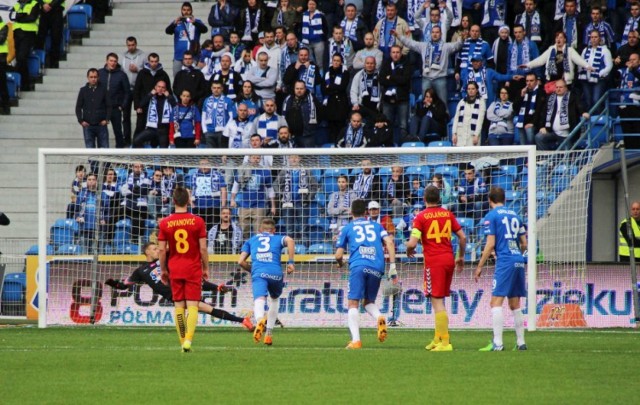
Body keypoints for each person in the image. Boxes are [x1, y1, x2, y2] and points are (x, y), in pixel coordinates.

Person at [106, 242, 254, 330]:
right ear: (147, 252)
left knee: (204, 305)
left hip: (182, 289)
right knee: (206, 309)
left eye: (158, 248)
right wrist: (112, 283)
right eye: (155, 249)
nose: (158, 250)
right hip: (175, 296)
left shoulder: (166, 260)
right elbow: (124, 286)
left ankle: (241, 319)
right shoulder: (140, 271)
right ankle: (241, 320)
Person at [405, 185, 465, 351]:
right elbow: (462, 236)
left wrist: (408, 248)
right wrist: (461, 256)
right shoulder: (448, 214)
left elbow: (412, 242)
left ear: (424, 199)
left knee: (437, 301)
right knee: (439, 299)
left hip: (434, 262)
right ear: (439, 199)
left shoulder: (421, 217)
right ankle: (438, 338)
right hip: (449, 259)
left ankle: (445, 342)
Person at [335, 199, 397, 349]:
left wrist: (340, 263)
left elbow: (338, 255)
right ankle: (379, 317)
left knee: (352, 303)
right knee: (368, 301)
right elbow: (389, 242)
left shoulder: (347, 228)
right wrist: (393, 266)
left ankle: (356, 340)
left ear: (351, 212)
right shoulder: (377, 226)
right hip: (377, 267)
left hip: (358, 266)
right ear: (366, 212)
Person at [474, 186, 528, 351]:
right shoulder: (516, 215)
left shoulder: (491, 216)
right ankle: (521, 343)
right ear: (504, 199)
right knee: (515, 303)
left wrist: (480, 265)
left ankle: (497, 343)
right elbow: (524, 243)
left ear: (490, 200)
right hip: (518, 259)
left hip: (505, 261)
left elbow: (490, 244)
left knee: (495, 302)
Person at [158, 187, 208, 353]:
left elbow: (161, 250)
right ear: (188, 201)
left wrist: (163, 269)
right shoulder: (198, 221)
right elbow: (203, 249)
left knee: (179, 306)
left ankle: (182, 343)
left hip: (175, 267)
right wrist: (206, 267)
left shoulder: (165, 223)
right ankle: (188, 340)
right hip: (193, 267)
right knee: (193, 305)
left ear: (173, 201)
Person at [238, 218, 295, 345]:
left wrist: (253, 270)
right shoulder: (277, 238)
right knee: (274, 299)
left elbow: (240, 261)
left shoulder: (251, 240)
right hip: (275, 273)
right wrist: (291, 262)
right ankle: (269, 334)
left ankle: (259, 320)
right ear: (273, 230)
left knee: (259, 298)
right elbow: (290, 240)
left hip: (259, 273)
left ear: (259, 230)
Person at [395, 25, 462, 102]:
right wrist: (398, 36)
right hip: (426, 79)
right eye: (433, 32)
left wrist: (462, 38)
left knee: (443, 105)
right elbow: (410, 43)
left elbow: (458, 45)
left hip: (440, 79)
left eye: (437, 32)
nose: (435, 34)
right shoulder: (424, 46)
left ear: (441, 34)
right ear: (430, 34)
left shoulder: (446, 46)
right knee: (425, 104)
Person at [274, 154, 318, 244]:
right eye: (291, 157)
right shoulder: (284, 171)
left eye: (296, 157)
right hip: (287, 204)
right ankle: (290, 251)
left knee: (303, 230)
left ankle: (304, 251)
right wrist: (281, 194)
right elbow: (275, 184)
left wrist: (308, 198)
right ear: (288, 159)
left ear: (299, 158)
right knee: (289, 230)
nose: (293, 159)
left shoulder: (306, 171)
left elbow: (315, 185)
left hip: (302, 204)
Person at [535, 79, 589, 151]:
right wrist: (542, 127)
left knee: (566, 155)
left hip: (567, 134)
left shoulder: (572, 97)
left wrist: (583, 112)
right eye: (557, 87)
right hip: (552, 131)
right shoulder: (550, 98)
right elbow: (544, 113)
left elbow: (579, 105)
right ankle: (544, 158)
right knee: (539, 137)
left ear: (566, 87)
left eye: (561, 87)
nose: (558, 89)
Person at [523, 31, 591, 88]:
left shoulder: (570, 50)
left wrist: (587, 66)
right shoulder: (551, 49)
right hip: (551, 80)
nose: (558, 39)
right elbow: (540, 60)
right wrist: (527, 65)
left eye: (561, 37)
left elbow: (578, 60)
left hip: (565, 81)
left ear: (564, 39)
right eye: (557, 37)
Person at [231, 155, 277, 238]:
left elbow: (270, 189)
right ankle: (245, 249)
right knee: (243, 230)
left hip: (259, 205)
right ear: (249, 159)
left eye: (258, 158)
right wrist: (232, 199)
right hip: (244, 205)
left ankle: (256, 249)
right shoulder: (242, 170)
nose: (256, 160)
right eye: (254, 158)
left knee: (258, 231)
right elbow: (236, 185)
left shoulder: (265, 172)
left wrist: (273, 206)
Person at [133, 53, 173, 136]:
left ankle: (155, 145)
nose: (154, 63)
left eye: (155, 61)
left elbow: (168, 90)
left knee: (156, 128)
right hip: (144, 105)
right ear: (148, 61)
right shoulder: (142, 73)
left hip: (158, 105)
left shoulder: (163, 74)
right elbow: (136, 90)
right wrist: (137, 106)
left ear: (158, 61)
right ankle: (136, 146)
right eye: (152, 61)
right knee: (140, 127)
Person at [166, 2, 209, 76]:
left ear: (191, 11)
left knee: (192, 78)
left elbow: (205, 30)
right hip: (179, 56)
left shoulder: (196, 21)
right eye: (184, 10)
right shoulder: (177, 22)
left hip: (192, 57)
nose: (186, 12)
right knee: (177, 78)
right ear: (181, 11)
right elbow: (168, 31)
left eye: (188, 10)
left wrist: (195, 22)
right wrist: (174, 24)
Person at [379, 45, 411, 143]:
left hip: (402, 99)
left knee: (403, 125)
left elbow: (405, 80)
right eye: (393, 52)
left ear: (401, 53)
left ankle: (403, 148)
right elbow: (382, 80)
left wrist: (391, 77)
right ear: (390, 53)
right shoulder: (386, 63)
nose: (395, 54)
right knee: (387, 125)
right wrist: (397, 78)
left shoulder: (406, 63)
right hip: (388, 100)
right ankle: (388, 148)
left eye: (397, 52)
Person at [98, 53, 131, 149]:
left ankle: (120, 154)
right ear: (106, 61)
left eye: (115, 61)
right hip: (102, 108)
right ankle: (102, 153)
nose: (112, 63)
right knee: (101, 132)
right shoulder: (100, 73)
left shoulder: (122, 75)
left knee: (118, 132)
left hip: (115, 108)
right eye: (111, 61)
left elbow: (127, 92)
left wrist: (122, 106)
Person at [132, 80, 177, 148]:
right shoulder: (151, 98)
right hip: (151, 128)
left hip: (164, 129)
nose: (160, 89)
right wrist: (150, 94)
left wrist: (169, 97)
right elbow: (141, 105)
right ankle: (144, 158)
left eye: (163, 87)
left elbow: (176, 107)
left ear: (165, 89)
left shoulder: (169, 98)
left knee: (163, 152)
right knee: (136, 140)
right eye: (159, 87)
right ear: (155, 87)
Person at [76, 68, 111, 149]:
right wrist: (80, 121)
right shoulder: (83, 90)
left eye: (95, 77)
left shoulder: (104, 90)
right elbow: (78, 107)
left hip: (101, 125)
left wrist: (107, 119)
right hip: (88, 125)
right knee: (90, 149)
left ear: (98, 77)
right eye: (91, 77)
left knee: (104, 148)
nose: (93, 79)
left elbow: (109, 106)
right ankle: (93, 163)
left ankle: (106, 162)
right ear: (88, 77)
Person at [10, 0, 40, 92]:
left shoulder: (35, 4)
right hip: (17, 33)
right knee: (20, 59)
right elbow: (11, 16)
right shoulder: (16, 4)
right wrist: (23, 15)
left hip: (28, 34)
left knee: (21, 57)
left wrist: (19, 16)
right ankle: (23, 83)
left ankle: (25, 83)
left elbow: (32, 18)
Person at [121, 37, 146, 146]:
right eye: (129, 45)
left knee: (140, 115)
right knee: (125, 115)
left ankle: (138, 138)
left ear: (136, 44)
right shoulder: (123, 56)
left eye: (133, 45)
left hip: (138, 89)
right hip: (126, 90)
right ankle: (126, 138)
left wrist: (137, 70)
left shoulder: (143, 55)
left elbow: (147, 71)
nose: (131, 47)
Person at [578, 30, 613, 108]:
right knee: (588, 101)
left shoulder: (605, 50)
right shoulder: (585, 50)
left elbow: (609, 66)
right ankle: (590, 119)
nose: (593, 39)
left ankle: (598, 118)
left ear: (600, 38)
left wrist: (600, 73)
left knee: (596, 100)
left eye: (595, 37)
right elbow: (581, 62)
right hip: (586, 79)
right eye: (592, 37)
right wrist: (580, 71)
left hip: (599, 80)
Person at [282, 81, 321, 147]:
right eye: (297, 88)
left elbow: (320, 113)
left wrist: (312, 128)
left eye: (301, 88)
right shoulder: (288, 100)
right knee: (293, 157)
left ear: (305, 89)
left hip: (307, 136)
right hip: (292, 135)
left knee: (308, 157)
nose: (299, 91)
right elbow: (284, 116)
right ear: (294, 89)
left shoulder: (312, 99)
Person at [513, 72, 546, 145]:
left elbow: (539, 110)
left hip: (534, 123)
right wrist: (521, 96)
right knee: (523, 147)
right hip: (522, 122)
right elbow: (515, 108)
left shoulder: (541, 92)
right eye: (527, 81)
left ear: (536, 81)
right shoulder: (522, 91)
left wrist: (533, 123)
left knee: (531, 143)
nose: (528, 83)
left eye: (531, 81)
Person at [324, 54, 351, 142]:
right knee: (331, 130)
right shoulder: (327, 73)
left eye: (338, 61)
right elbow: (323, 88)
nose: (336, 62)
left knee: (340, 129)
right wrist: (334, 87)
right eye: (334, 60)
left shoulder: (345, 73)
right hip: (330, 105)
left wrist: (330, 86)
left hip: (341, 105)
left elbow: (342, 87)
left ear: (341, 62)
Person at [202, 81, 236, 149]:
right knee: (211, 156)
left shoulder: (228, 100)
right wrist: (205, 130)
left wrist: (226, 130)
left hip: (223, 132)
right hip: (209, 132)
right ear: (211, 88)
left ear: (222, 88)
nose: (216, 90)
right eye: (214, 88)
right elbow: (203, 116)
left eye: (218, 88)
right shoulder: (207, 100)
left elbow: (232, 117)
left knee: (222, 155)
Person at [452, 82, 485, 147]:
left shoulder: (481, 102)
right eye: (469, 89)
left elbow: (480, 120)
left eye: (473, 89)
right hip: (461, 135)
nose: (471, 91)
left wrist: (476, 134)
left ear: (476, 90)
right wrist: (454, 133)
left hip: (473, 135)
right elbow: (456, 118)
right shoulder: (462, 102)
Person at [350, 56, 381, 124]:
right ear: (364, 64)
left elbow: (382, 91)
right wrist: (355, 103)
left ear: (375, 64)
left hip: (375, 107)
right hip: (362, 106)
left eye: (372, 63)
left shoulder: (380, 75)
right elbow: (353, 91)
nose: (369, 65)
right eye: (367, 63)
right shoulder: (358, 75)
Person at [300, 0, 328, 72]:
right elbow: (300, 27)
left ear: (316, 5)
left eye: (313, 4)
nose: (311, 6)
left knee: (319, 63)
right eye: (310, 4)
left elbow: (325, 28)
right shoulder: (303, 15)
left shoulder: (321, 15)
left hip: (318, 42)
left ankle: (320, 79)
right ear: (307, 5)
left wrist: (323, 38)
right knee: (308, 62)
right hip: (306, 42)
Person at [36, 0, 64, 69]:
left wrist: (50, 5)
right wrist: (42, 4)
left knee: (56, 37)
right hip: (43, 11)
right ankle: (39, 63)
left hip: (57, 9)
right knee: (40, 38)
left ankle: (54, 63)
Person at [0, 19, 10, 115]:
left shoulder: (3, 26)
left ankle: (5, 105)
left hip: (1, 58)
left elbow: (1, 40)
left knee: (2, 83)